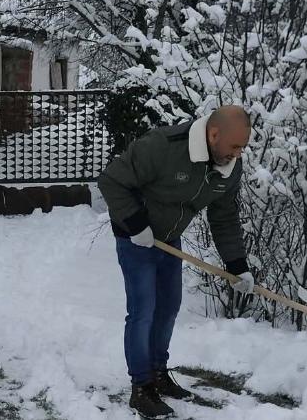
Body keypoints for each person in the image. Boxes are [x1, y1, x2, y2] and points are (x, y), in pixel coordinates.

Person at [97, 106, 256, 419]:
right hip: (135, 237)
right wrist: (135, 223)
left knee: (168, 307)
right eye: (234, 146)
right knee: (143, 310)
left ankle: (158, 372)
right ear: (213, 134)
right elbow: (111, 180)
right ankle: (141, 387)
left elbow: (224, 217)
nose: (238, 154)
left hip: (169, 240)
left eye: (243, 147)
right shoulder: (162, 147)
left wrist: (237, 265)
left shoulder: (229, 167)